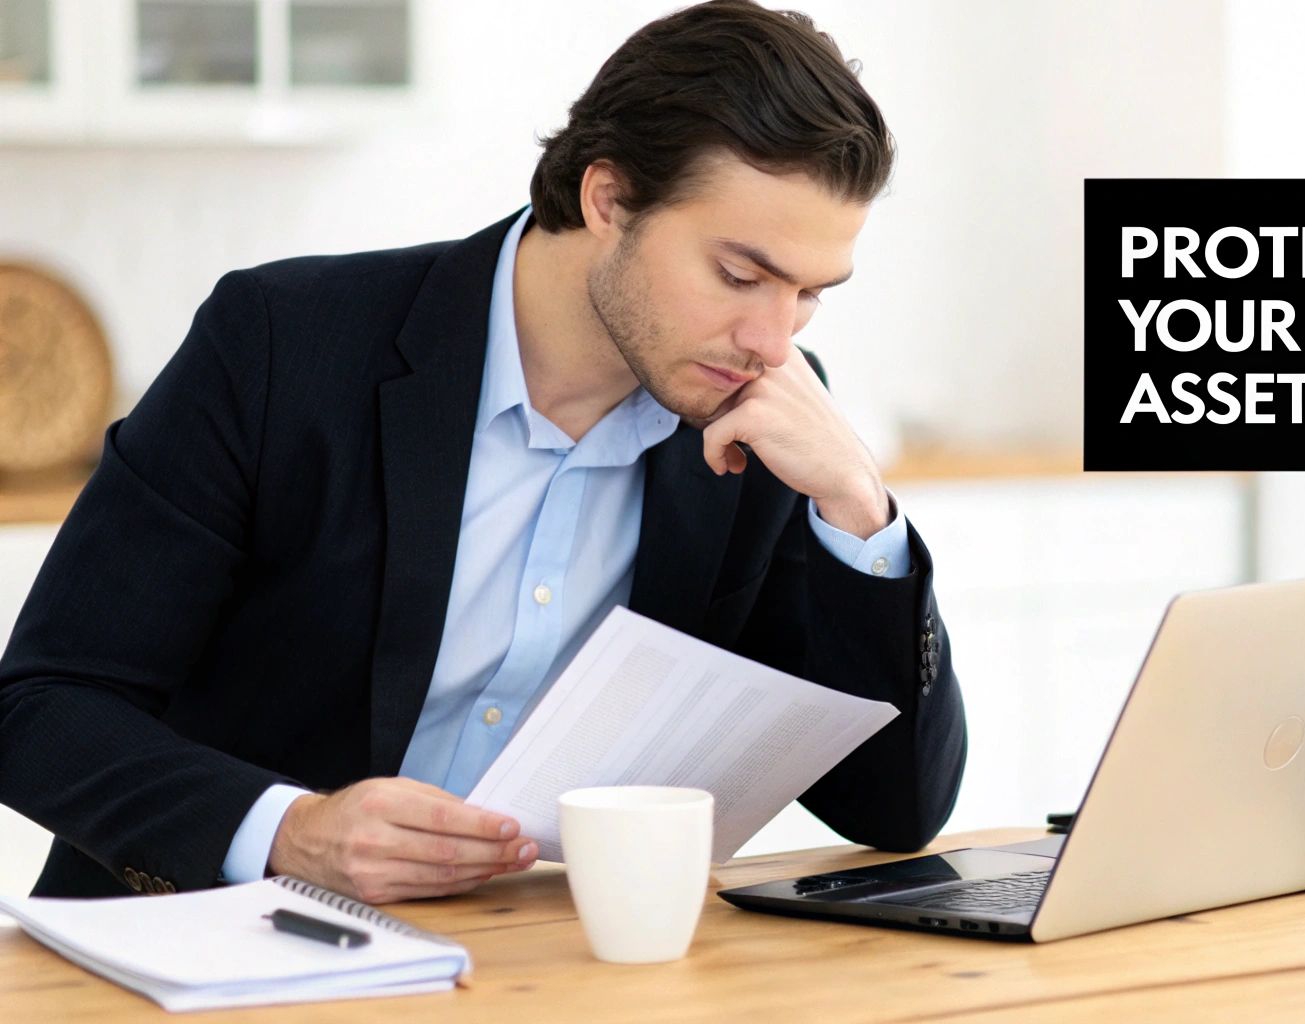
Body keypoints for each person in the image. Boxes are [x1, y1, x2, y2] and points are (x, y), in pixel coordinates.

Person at [0, 0, 965, 904]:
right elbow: (42, 707)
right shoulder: (280, 345)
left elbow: (895, 811)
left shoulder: (763, 422)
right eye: (739, 274)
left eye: (810, 293)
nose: (772, 337)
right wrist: (290, 830)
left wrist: (861, 511)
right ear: (609, 198)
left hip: (537, 966)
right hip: (200, 952)